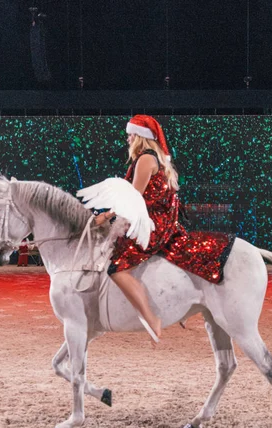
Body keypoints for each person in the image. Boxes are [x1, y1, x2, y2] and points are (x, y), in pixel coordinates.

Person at [95, 114, 235, 342]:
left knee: (117, 268)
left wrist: (106, 216)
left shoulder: (145, 160)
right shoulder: (154, 160)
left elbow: (134, 198)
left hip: (153, 226)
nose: (128, 139)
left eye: (131, 134)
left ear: (141, 137)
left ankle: (151, 317)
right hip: (162, 222)